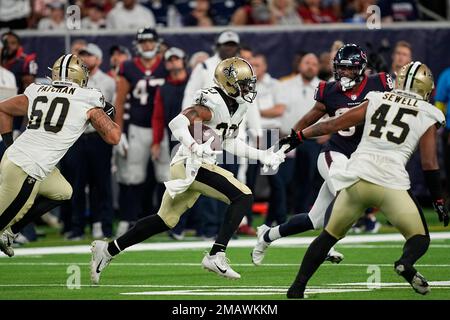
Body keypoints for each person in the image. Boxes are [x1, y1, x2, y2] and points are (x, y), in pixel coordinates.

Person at [90, 57, 286, 283]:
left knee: (164, 220)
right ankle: (216, 254)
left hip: (197, 165)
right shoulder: (211, 100)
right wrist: (194, 145)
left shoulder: (240, 104)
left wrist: (262, 154)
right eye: (243, 84)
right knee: (243, 195)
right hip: (190, 164)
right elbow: (176, 123)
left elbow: (229, 142)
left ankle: (108, 250)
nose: (248, 89)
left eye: (249, 84)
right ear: (228, 83)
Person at [284, 61, 448, 298]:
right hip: (391, 183)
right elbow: (429, 163)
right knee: (420, 238)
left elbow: (334, 124)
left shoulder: (377, 98)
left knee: (327, 237)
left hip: (357, 176)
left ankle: (297, 288)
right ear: (426, 88)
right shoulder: (429, 112)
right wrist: (439, 201)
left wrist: (300, 135)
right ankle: (405, 262)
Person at [252, 44, 393, 266]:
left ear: (361, 69)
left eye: (349, 68)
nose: (344, 73)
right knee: (345, 190)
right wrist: (289, 142)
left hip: (360, 157)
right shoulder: (329, 90)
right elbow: (309, 119)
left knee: (313, 219)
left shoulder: (379, 84)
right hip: (334, 153)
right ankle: (328, 243)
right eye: (341, 68)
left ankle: (267, 235)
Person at [0, 54, 120, 257]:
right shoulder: (88, 97)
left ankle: (11, 231)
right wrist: (105, 112)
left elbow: (3, 108)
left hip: (19, 159)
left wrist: (10, 144)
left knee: (63, 191)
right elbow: (114, 137)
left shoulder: (37, 89)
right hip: (27, 168)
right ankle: (7, 229)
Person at [114, 27, 169, 236]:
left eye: (150, 41)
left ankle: (163, 219)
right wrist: (119, 131)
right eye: (143, 41)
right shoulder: (128, 67)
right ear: (138, 44)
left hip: (162, 128)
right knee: (132, 176)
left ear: (157, 43)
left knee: (165, 175)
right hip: (137, 126)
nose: (147, 45)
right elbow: (119, 101)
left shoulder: (166, 64)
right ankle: (128, 218)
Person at [63, 44, 117, 240]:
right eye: (82, 55)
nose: (85, 58)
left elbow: (113, 111)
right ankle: (77, 227)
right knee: (77, 183)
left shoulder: (109, 82)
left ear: (99, 59)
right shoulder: (72, 80)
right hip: (76, 136)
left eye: (89, 55)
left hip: (98, 137)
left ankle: (106, 227)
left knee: (102, 184)